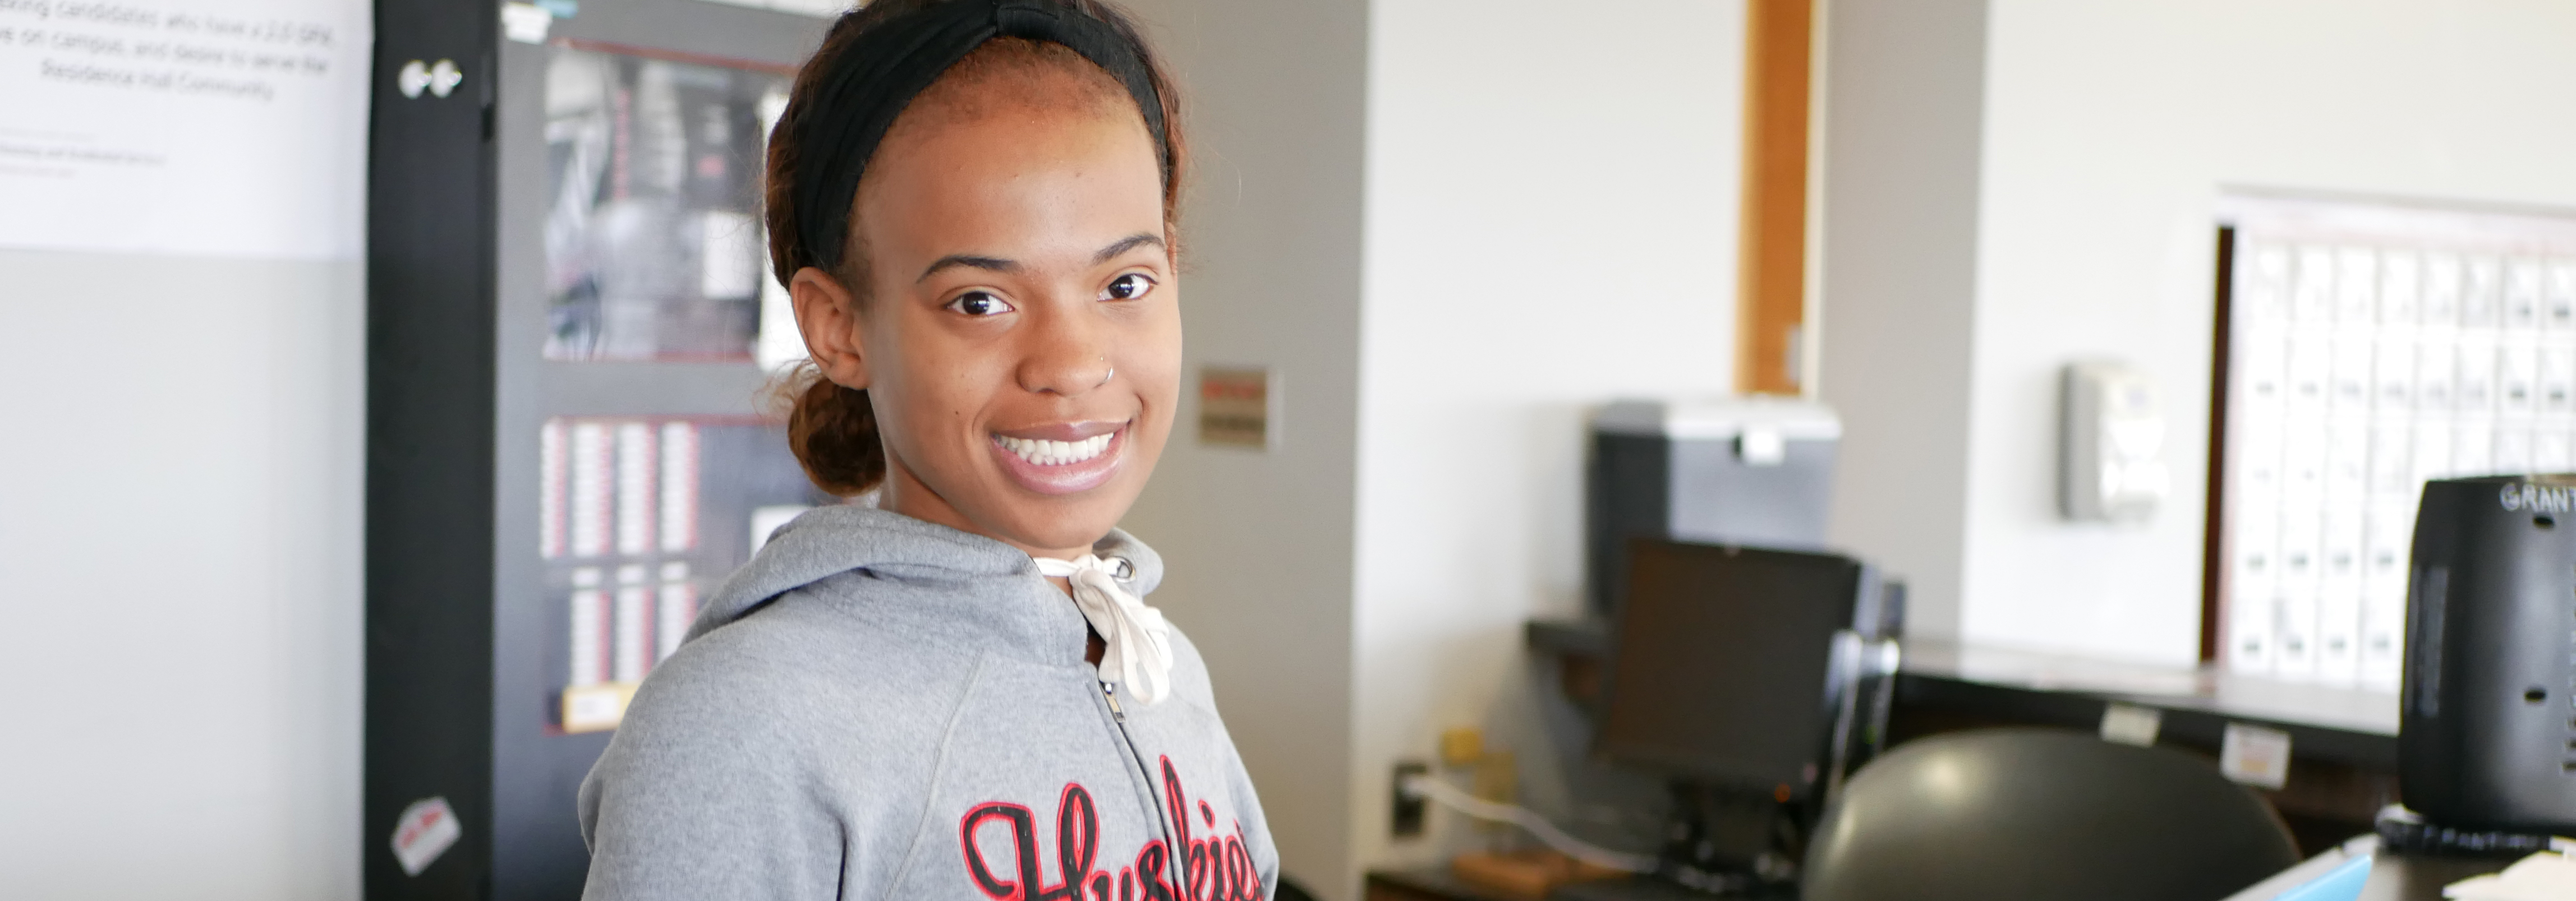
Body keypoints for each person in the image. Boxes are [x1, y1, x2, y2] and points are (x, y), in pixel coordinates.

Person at [576, 2, 1277, 898]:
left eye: (1124, 283)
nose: (1071, 365)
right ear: (840, 326)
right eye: (980, 301)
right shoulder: (742, 725)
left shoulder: (1161, 665)